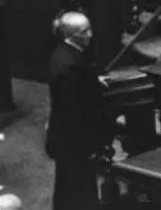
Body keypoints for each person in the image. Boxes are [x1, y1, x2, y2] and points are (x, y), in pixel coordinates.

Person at [46, 12, 112, 210]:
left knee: (69, 186)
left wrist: (93, 81)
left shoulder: (64, 53)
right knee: (78, 190)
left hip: (66, 140)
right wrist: (88, 145)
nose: (90, 35)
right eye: (84, 31)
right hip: (74, 142)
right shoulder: (70, 65)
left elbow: (78, 84)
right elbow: (73, 111)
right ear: (71, 35)